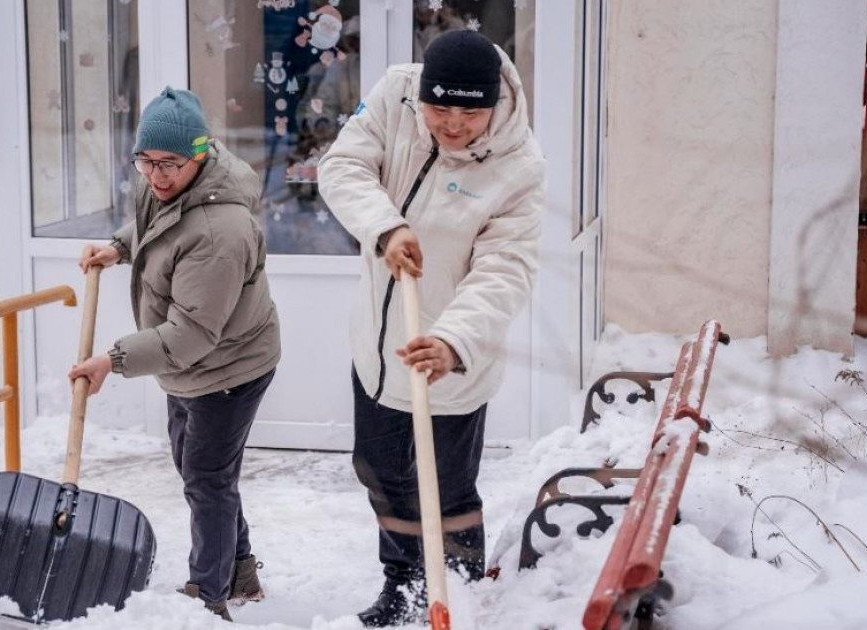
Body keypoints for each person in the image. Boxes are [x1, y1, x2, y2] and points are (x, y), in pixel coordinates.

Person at [318, 30, 544, 627]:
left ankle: (456, 591)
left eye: (470, 113)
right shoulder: (395, 95)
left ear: (494, 104)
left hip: (450, 356)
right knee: (383, 473)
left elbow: (505, 269)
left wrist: (452, 340)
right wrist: (386, 227)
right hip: (379, 347)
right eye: (439, 109)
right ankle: (403, 583)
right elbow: (342, 167)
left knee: (446, 486)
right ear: (421, 95)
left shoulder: (518, 166)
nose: (452, 125)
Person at [70, 87, 281, 622]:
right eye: (145, 162)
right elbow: (156, 226)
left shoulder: (219, 231)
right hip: (187, 366)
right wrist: (119, 247)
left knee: (207, 480)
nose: (156, 176)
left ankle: (207, 598)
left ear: (201, 154)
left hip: (228, 367)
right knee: (204, 472)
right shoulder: (171, 186)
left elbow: (191, 334)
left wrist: (113, 360)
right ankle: (241, 574)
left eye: (169, 164)